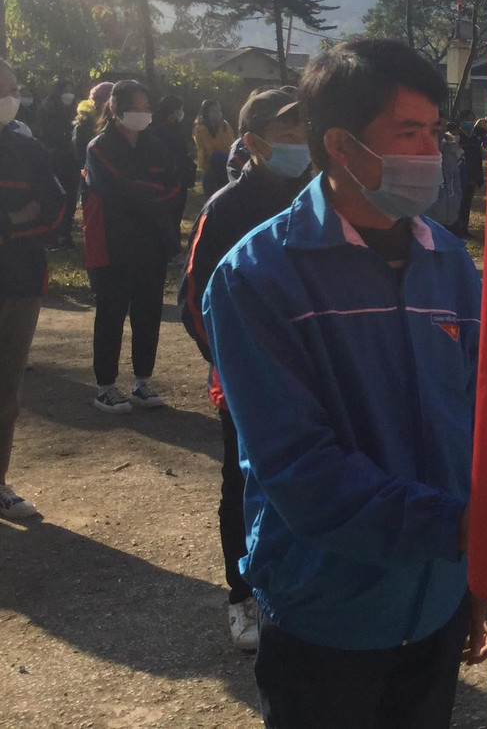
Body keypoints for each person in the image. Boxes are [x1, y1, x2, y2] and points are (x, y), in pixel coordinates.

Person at [202, 39, 487, 729]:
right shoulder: (259, 277)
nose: (432, 152)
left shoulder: (448, 260)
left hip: (436, 598)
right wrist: (450, 525)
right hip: (327, 609)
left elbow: (477, 416)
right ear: (340, 143)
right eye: (409, 132)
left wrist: (474, 571)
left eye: (436, 132)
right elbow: (297, 466)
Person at [180, 88, 313, 652]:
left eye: (306, 133)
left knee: (310, 478)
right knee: (244, 484)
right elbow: (194, 303)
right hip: (245, 381)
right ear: (254, 143)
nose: (300, 146)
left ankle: (305, 588)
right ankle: (244, 596)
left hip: (316, 373)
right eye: (287, 138)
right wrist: (236, 364)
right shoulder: (225, 210)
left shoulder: (322, 199)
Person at [84, 80, 181, 413]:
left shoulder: (157, 145)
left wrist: (148, 195)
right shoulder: (99, 148)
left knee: (148, 312)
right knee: (111, 313)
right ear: (114, 108)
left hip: (151, 244)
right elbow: (117, 190)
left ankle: (142, 381)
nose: (142, 114)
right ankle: (105, 386)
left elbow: (173, 185)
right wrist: (150, 195)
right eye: (135, 107)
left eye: (146, 107)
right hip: (113, 244)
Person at [0, 58, 65, 519]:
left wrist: (17, 225)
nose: (10, 97)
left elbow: (55, 205)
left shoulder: (27, 148)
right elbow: (27, 212)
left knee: (6, 389)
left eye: (14, 89)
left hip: (21, 281)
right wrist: (12, 219)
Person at [34, 79, 78, 249]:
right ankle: (52, 234)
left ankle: (65, 234)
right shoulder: (47, 109)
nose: (69, 94)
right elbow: (46, 134)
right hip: (54, 159)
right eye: (65, 90)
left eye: (71, 90)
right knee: (54, 196)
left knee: (70, 198)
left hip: (70, 160)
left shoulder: (74, 111)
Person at [150, 94, 197, 234]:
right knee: (170, 218)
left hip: (177, 179)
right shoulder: (161, 131)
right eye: (180, 109)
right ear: (174, 111)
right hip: (170, 180)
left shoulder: (172, 128)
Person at [193, 98, 237, 198]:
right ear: (206, 112)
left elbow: (232, 141)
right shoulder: (201, 128)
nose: (218, 114)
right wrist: (227, 157)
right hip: (211, 169)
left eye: (219, 111)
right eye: (214, 111)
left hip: (227, 166)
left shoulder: (225, 125)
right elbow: (209, 151)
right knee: (212, 198)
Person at [456, 111, 484, 238]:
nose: (472, 123)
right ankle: (457, 228)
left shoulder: (474, 138)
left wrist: (479, 178)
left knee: (467, 203)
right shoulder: (456, 138)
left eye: (473, 120)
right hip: (458, 178)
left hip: (471, 177)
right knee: (458, 204)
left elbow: (478, 159)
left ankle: (464, 228)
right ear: (462, 121)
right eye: (469, 120)